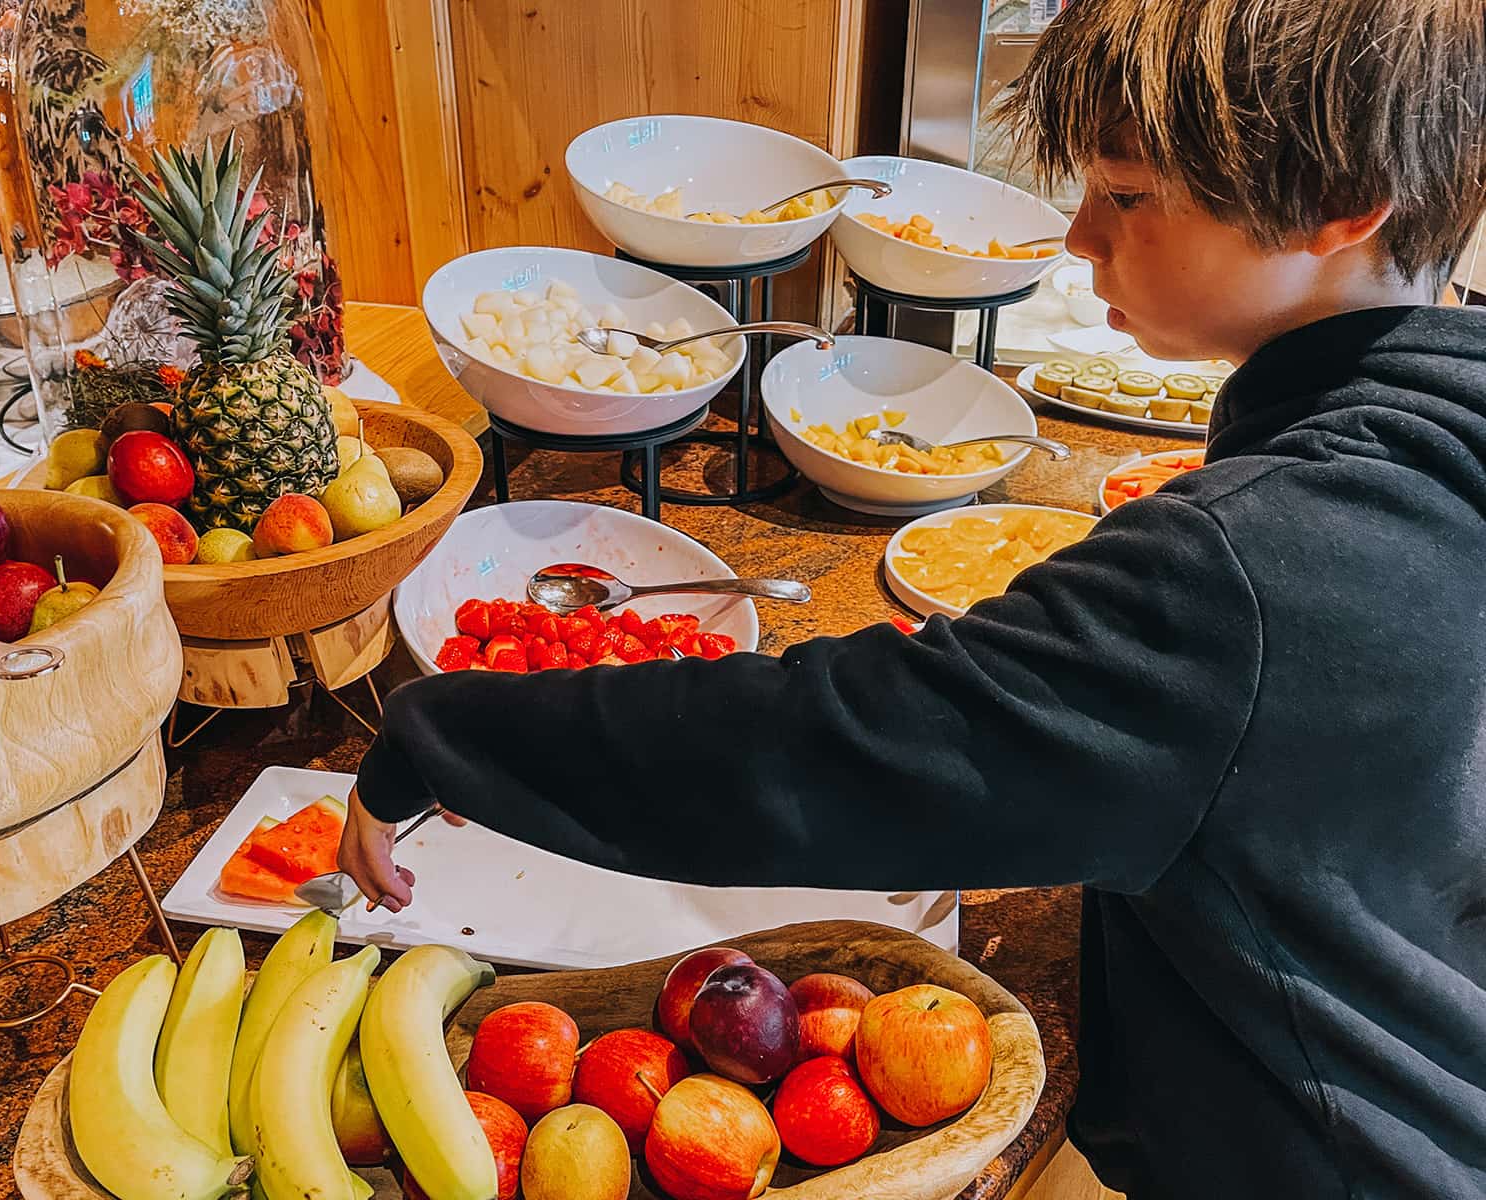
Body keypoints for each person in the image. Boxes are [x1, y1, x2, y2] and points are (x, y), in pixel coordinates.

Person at [341, 1, 1486, 1196]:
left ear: (1344, 201)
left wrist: (447, 733)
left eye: (1130, 194)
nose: (1081, 236)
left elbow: (832, 746)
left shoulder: (1246, 569)